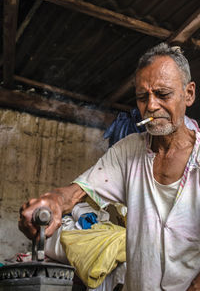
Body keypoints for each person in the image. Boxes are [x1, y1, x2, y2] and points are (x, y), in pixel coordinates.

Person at [18, 43, 200, 291]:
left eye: (163, 94)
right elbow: (76, 192)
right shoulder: (128, 151)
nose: (151, 106)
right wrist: (53, 202)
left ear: (188, 94)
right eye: (142, 97)